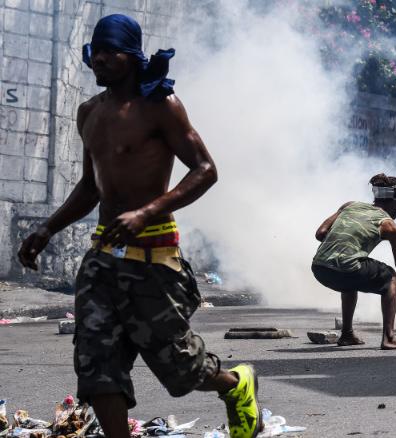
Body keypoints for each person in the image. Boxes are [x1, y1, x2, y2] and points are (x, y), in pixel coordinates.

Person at [16, 15, 262, 438]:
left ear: (131, 56)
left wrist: (147, 212)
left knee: (181, 366)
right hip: (101, 261)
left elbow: (205, 169)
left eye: (110, 52)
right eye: (96, 52)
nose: (99, 61)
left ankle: (235, 384)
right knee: (97, 366)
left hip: (153, 257)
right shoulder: (88, 113)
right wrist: (47, 229)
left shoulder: (161, 107)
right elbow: (91, 186)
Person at [311, 173, 396, 350]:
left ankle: (347, 334)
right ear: (392, 202)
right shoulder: (390, 226)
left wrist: (343, 243)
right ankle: (389, 338)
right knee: (390, 276)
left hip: (319, 268)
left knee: (351, 277)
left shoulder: (350, 206)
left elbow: (320, 233)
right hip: (346, 268)